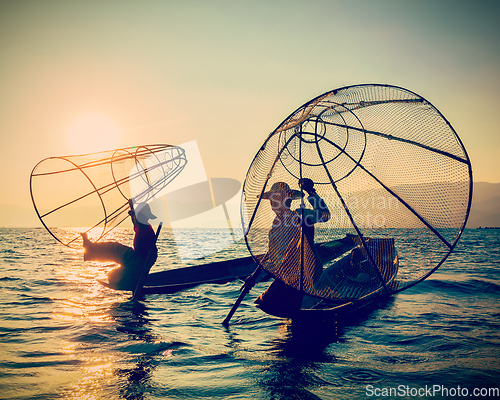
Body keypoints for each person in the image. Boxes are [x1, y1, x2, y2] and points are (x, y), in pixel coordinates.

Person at [255, 178, 330, 315]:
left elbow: (325, 216)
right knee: (263, 303)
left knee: (274, 303)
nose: (273, 203)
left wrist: (311, 192)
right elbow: (273, 256)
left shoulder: (299, 214)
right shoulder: (275, 224)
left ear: (287, 199)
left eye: (277, 198)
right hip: (286, 276)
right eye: (272, 200)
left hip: (304, 273)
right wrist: (255, 277)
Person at [82, 202, 158, 290]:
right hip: (136, 256)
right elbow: (134, 221)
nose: (136, 218)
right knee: (114, 248)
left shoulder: (147, 231)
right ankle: (90, 249)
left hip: (142, 260)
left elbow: (150, 254)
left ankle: (132, 280)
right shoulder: (139, 225)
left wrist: (144, 268)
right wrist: (132, 206)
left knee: (114, 276)